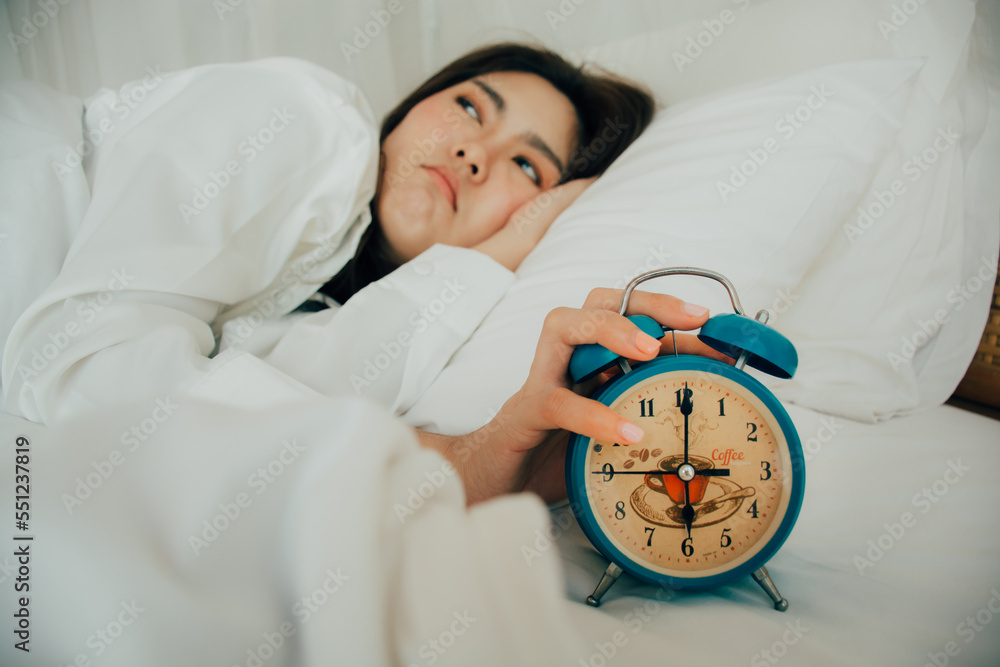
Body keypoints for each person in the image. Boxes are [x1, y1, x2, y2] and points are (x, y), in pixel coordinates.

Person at [2, 42, 726, 506]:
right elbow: (86, 369)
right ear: (413, 108)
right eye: (470, 106)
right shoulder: (308, 120)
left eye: (525, 164)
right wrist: (440, 461)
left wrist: (499, 254)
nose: (474, 152)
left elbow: (265, 402)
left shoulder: (323, 302)